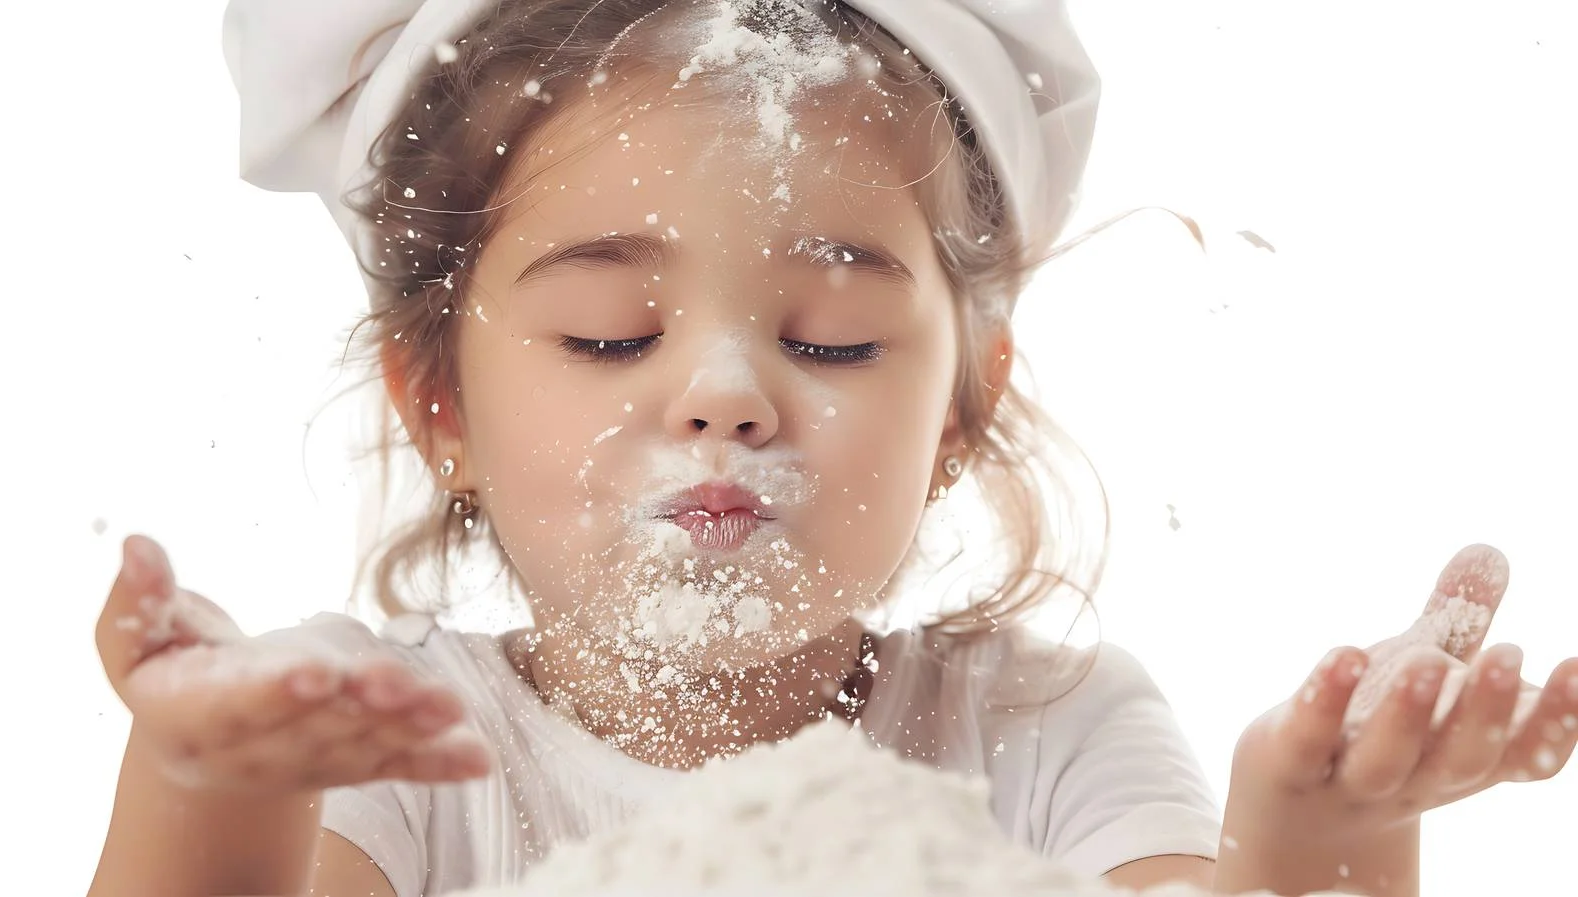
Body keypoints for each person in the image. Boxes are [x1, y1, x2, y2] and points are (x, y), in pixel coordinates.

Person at [87, 2, 1578, 896]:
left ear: (962, 413)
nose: (725, 397)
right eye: (612, 334)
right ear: (440, 405)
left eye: (836, 342)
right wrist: (213, 793)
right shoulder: (395, 742)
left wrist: (1321, 840)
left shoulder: (1049, 731)